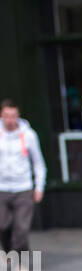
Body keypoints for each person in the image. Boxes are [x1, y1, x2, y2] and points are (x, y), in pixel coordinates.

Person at [0, 100, 46, 256]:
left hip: (23, 188)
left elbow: (38, 163)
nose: (10, 120)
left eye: (13, 116)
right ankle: (8, 253)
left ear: (18, 116)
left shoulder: (29, 135)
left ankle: (21, 263)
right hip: (2, 188)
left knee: (22, 228)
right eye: (6, 116)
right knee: (3, 226)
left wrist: (39, 187)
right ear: (2, 116)